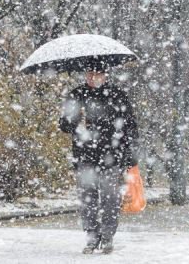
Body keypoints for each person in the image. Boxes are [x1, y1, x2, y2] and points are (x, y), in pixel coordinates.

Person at [59, 67, 139, 255]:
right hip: (85, 157)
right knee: (88, 200)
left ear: (105, 75)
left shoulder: (117, 95)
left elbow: (130, 127)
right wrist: (75, 120)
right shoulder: (77, 95)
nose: (93, 77)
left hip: (111, 157)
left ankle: (108, 236)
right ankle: (91, 237)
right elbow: (64, 124)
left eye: (97, 74)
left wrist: (129, 154)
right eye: (89, 74)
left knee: (111, 198)